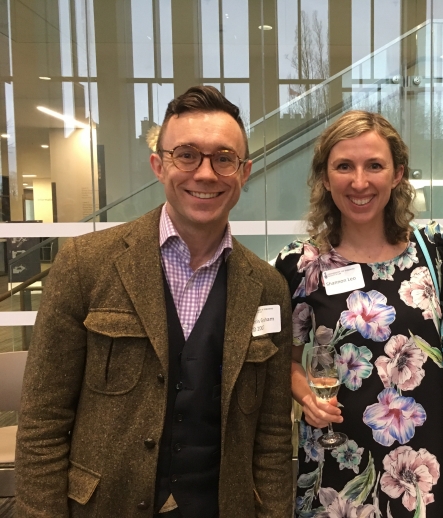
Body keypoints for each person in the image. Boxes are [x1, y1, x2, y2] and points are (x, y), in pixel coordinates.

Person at [15, 86, 294, 517]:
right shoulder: (85, 266)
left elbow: (273, 437)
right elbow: (42, 423)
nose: (205, 173)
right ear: (158, 166)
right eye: (186, 155)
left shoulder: (268, 288)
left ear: (244, 172)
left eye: (224, 158)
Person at [275, 110, 443, 517]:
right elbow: (285, 361)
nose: (359, 182)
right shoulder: (302, 264)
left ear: (397, 174)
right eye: (344, 166)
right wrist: (306, 396)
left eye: (374, 166)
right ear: (325, 178)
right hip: (339, 461)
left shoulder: (432, 251)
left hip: (425, 464)